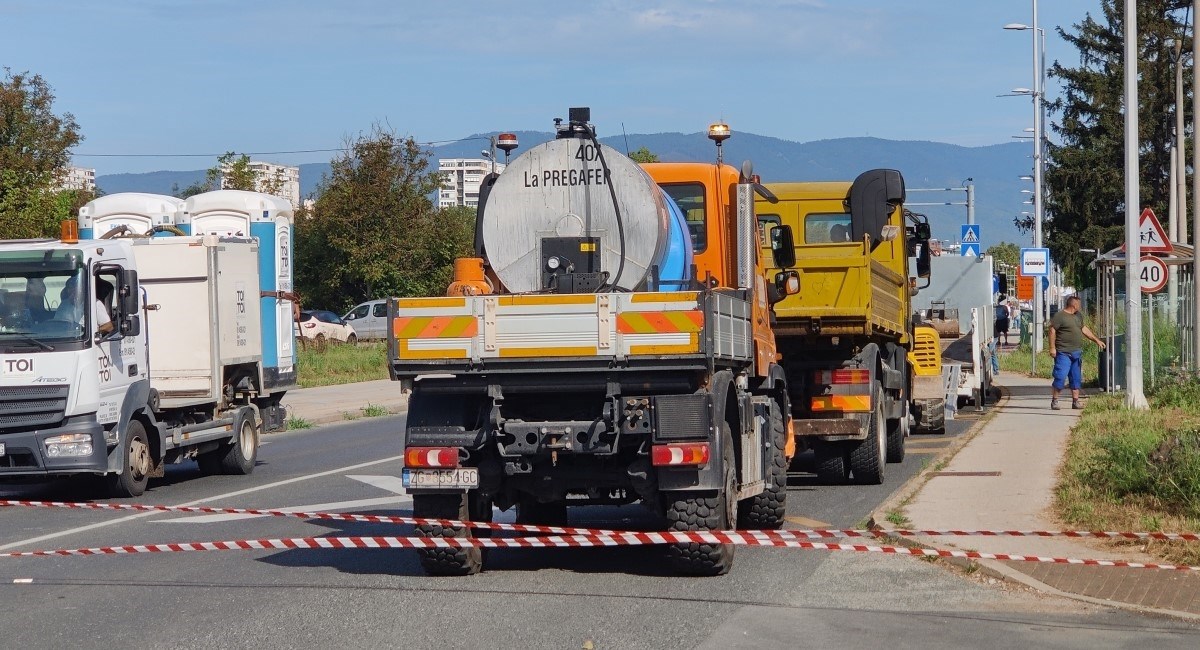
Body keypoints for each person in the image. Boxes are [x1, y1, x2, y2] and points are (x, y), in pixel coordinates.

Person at [1048, 295, 1105, 410]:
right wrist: (1052, 347)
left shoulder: (1078, 316)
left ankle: (1075, 402)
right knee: (1060, 376)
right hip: (1063, 352)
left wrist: (1096, 340)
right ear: (1074, 305)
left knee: (1076, 378)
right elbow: (1052, 330)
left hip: (1076, 353)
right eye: (1078, 304)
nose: (1080, 306)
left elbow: (1084, 329)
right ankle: (1055, 401)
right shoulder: (1060, 316)